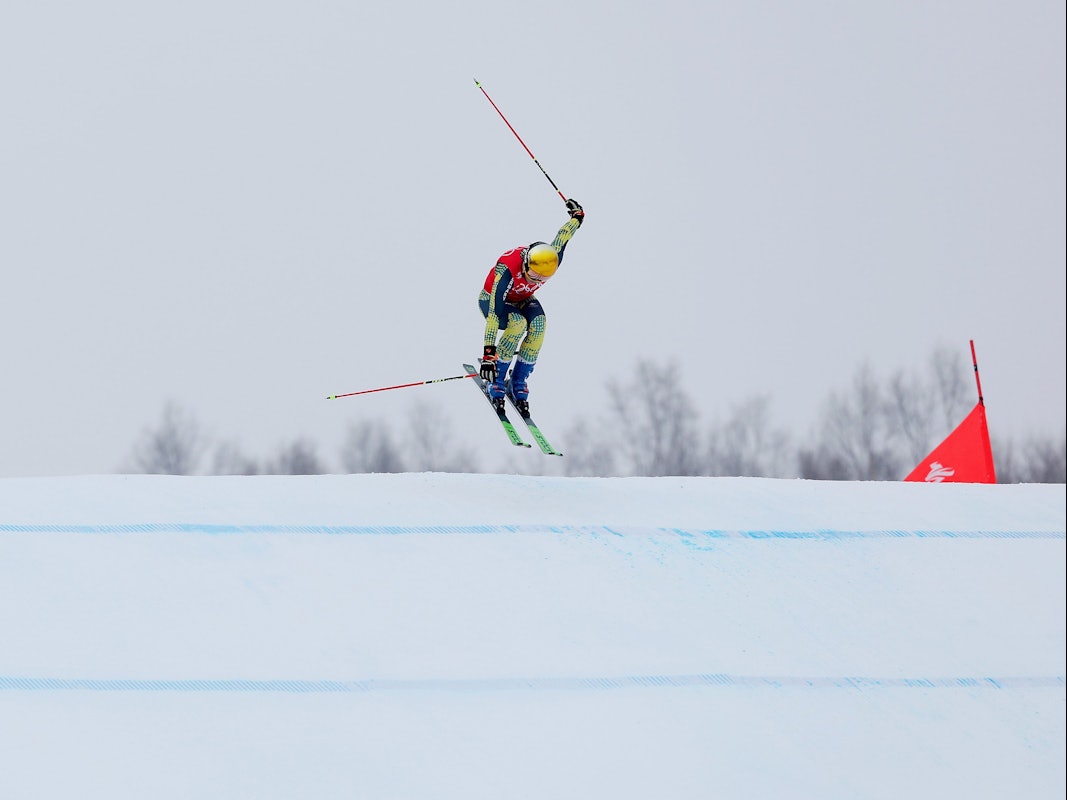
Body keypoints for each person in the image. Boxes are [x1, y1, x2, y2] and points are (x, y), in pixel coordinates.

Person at [478, 199, 585, 414]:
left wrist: (577, 218)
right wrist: (489, 355)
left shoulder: (549, 259)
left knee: (538, 324)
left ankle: (518, 381)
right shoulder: (506, 269)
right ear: (526, 263)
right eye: (533, 275)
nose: (536, 281)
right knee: (517, 323)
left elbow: (563, 237)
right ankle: (496, 379)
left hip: (521, 298)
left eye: (543, 278)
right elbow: (492, 315)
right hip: (493, 300)